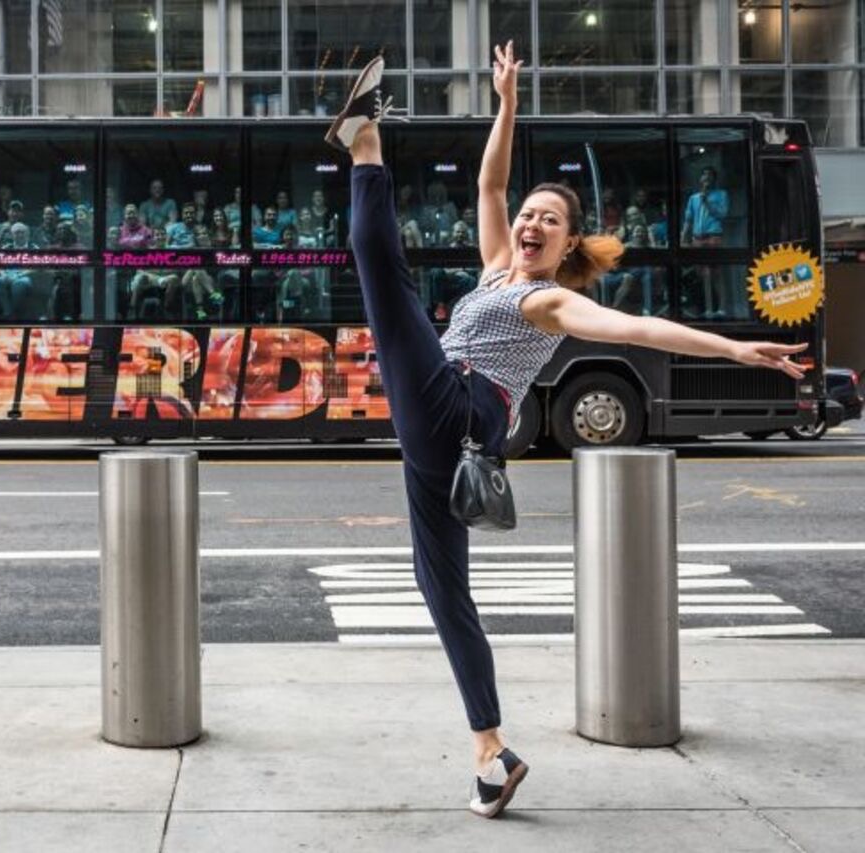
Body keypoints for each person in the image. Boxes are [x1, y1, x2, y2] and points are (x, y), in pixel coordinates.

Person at [323, 44, 806, 820]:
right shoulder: (494, 271)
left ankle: (365, 138)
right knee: (442, 591)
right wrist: (507, 103)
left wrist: (735, 346)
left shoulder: (549, 301)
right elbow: (488, 182)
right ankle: (491, 753)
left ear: (568, 242)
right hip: (448, 443)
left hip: (460, 408)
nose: (530, 222)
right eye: (527, 214)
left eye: (548, 218)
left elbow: (639, 326)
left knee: (383, 271)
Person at [681, 166, 731, 319]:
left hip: (713, 237)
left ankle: (722, 309)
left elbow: (723, 214)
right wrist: (683, 239)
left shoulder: (721, 194)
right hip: (697, 238)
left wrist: (708, 202)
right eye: (704, 175)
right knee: (704, 275)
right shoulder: (694, 198)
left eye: (710, 176)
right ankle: (709, 308)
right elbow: (688, 220)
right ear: (700, 179)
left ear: (714, 179)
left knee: (716, 274)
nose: (707, 178)